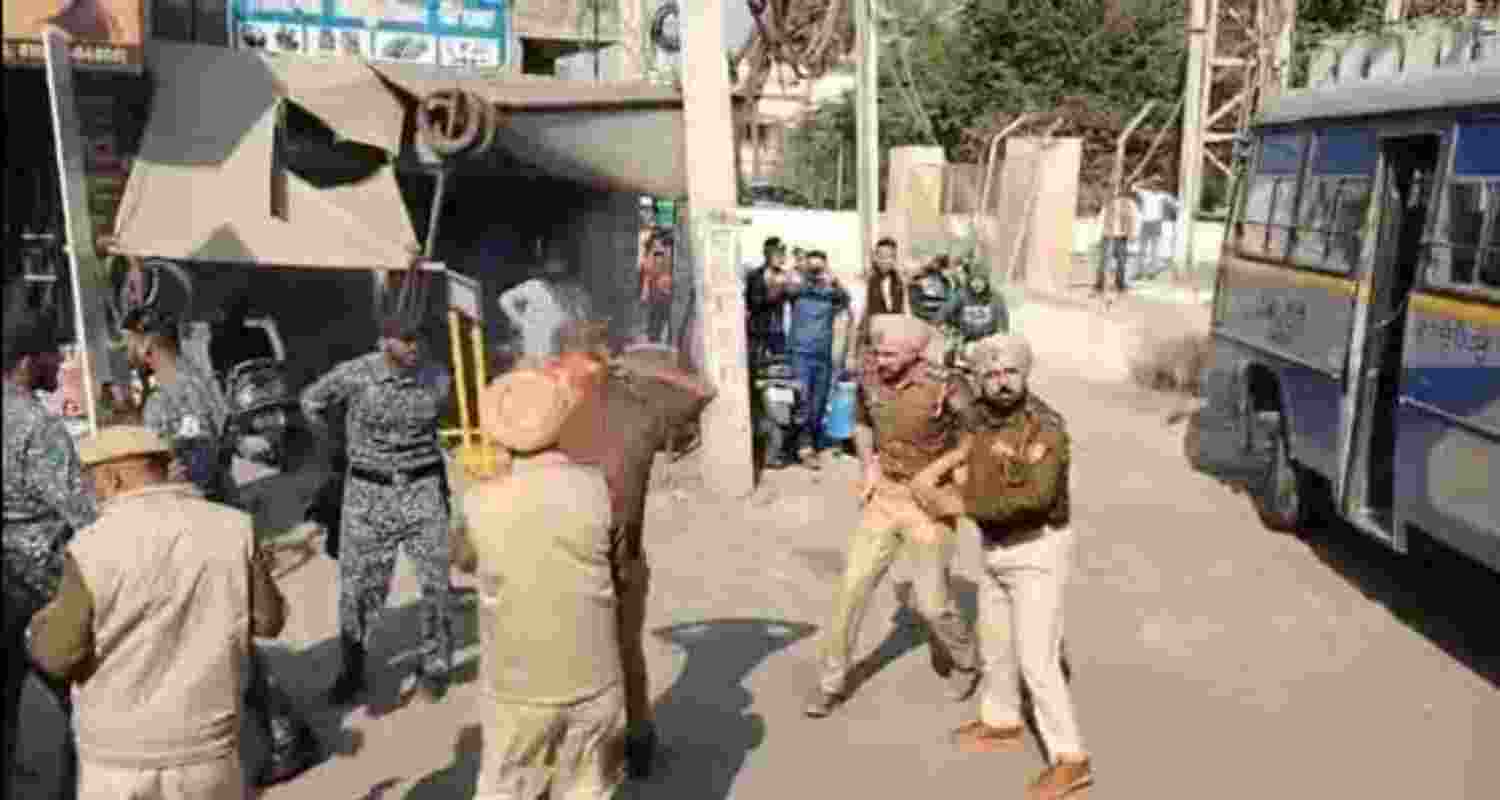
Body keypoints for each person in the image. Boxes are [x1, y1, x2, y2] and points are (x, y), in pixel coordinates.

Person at [27, 425, 287, 800]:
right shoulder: (234, 527)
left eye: (92, 481)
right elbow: (270, 621)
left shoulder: (90, 547)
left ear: (112, 478)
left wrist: (36, 630)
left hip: (119, 759)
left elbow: (58, 655)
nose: (91, 491)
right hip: (208, 748)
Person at [910, 334, 1092, 800]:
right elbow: (955, 416)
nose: (1001, 382)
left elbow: (1036, 497)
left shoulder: (1045, 426)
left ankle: (1071, 759)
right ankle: (1001, 721)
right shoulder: (980, 417)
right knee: (996, 644)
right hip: (994, 548)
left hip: (1037, 549)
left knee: (1038, 659)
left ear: (1025, 374)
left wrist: (959, 502)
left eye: (1009, 372)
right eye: (990, 374)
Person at [455, 367, 625, 800]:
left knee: (504, 788)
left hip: (517, 684)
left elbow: (461, 560)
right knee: (588, 788)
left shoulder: (479, 502)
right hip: (595, 676)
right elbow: (619, 565)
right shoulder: (597, 488)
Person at [552, 338, 715, 779]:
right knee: (620, 655)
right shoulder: (627, 412)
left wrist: (628, 362)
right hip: (596, 559)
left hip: (603, 561)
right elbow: (699, 391)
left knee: (600, 658)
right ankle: (625, 739)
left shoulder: (629, 410)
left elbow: (702, 391)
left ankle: (621, 741)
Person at [803, 314, 979, 718]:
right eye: (877, 352)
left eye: (889, 354)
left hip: (929, 502)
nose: (879, 361)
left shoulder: (947, 384)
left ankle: (966, 658)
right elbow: (862, 422)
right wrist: (868, 465)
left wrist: (939, 471)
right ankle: (831, 683)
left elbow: (975, 436)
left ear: (916, 355)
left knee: (933, 604)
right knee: (851, 589)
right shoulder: (869, 373)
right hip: (885, 496)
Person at [301, 308, 454, 706]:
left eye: (419, 337)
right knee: (359, 590)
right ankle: (352, 670)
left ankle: (435, 666)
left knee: (437, 582)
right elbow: (311, 401)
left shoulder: (436, 377)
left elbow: (442, 426)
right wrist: (336, 448)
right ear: (385, 340)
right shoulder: (355, 374)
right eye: (406, 338)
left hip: (422, 486)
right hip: (368, 493)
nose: (415, 346)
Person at [4, 290, 96, 791]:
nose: (60, 360)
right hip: (42, 586)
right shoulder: (37, 427)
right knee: (82, 698)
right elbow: (85, 512)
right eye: (50, 353)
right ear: (25, 363)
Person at [123, 307, 232, 502]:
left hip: (201, 509)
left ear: (146, 345)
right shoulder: (194, 379)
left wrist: (170, 480)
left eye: (131, 339)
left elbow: (200, 459)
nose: (126, 347)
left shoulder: (177, 390)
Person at [786, 250, 851, 469]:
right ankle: (804, 448)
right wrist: (803, 273)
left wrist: (834, 279)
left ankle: (810, 441)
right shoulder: (798, 290)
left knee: (819, 403)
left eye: (819, 267)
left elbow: (845, 298)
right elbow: (788, 289)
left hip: (822, 355)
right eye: (812, 267)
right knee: (802, 401)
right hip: (800, 354)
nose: (815, 272)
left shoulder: (830, 293)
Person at [499, 239, 594, 360]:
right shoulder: (534, 286)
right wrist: (520, 322)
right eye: (553, 262)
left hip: (565, 347)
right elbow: (505, 300)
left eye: (560, 262)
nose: (557, 265)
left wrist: (582, 327)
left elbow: (585, 310)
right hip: (539, 347)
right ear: (546, 265)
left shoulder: (574, 288)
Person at [744, 236, 795, 364]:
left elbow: (794, 303)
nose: (781, 256)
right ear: (767, 253)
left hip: (778, 331)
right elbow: (753, 303)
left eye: (783, 253)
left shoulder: (786, 276)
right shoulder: (755, 275)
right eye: (777, 253)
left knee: (779, 370)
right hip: (758, 332)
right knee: (757, 367)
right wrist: (777, 289)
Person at [208, 294, 276, 382]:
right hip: (241, 385)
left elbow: (273, 363)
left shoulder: (259, 333)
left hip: (261, 382)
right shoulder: (216, 342)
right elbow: (220, 375)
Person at [954, 267, 1010, 359]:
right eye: (973, 281)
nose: (976, 285)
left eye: (980, 281)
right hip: (967, 339)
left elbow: (1003, 319)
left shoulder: (996, 297)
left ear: (986, 282)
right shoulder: (962, 294)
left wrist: (1001, 336)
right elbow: (949, 313)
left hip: (989, 339)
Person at [1096, 191, 1138, 294]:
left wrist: (1132, 234)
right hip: (1108, 235)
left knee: (1122, 262)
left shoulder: (1130, 204)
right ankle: (1100, 284)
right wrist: (1099, 234)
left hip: (1121, 237)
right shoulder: (1109, 203)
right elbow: (1101, 217)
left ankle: (1120, 284)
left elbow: (1134, 218)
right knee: (1104, 261)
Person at [638, 230, 675, 344]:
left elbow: (649, 269)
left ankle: (656, 340)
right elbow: (648, 270)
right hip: (657, 293)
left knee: (661, 322)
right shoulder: (656, 252)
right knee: (655, 323)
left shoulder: (665, 252)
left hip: (664, 293)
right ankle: (654, 340)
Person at [908, 254, 961, 330]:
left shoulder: (944, 280)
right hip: (926, 316)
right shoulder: (927, 280)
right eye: (953, 268)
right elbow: (925, 304)